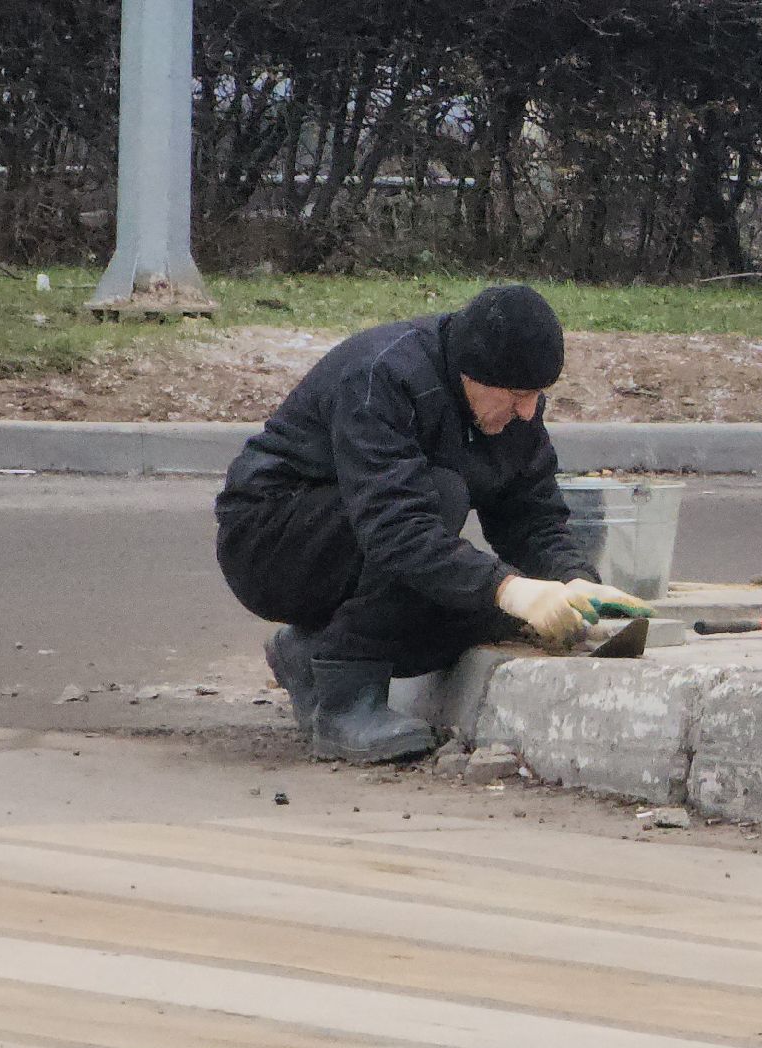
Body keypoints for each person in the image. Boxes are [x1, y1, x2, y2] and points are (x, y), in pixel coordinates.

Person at [213, 285, 649, 765]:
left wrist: (572, 582)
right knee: (441, 499)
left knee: (499, 613)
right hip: (271, 539)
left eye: (536, 397)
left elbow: (532, 514)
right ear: (472, 374)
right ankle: (345, 698)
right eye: (519, 396)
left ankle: (311, 652)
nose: (528, 411)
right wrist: (508, 586)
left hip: (365, 532)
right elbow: (395, 528)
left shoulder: (512, 407)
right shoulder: (382, 377)